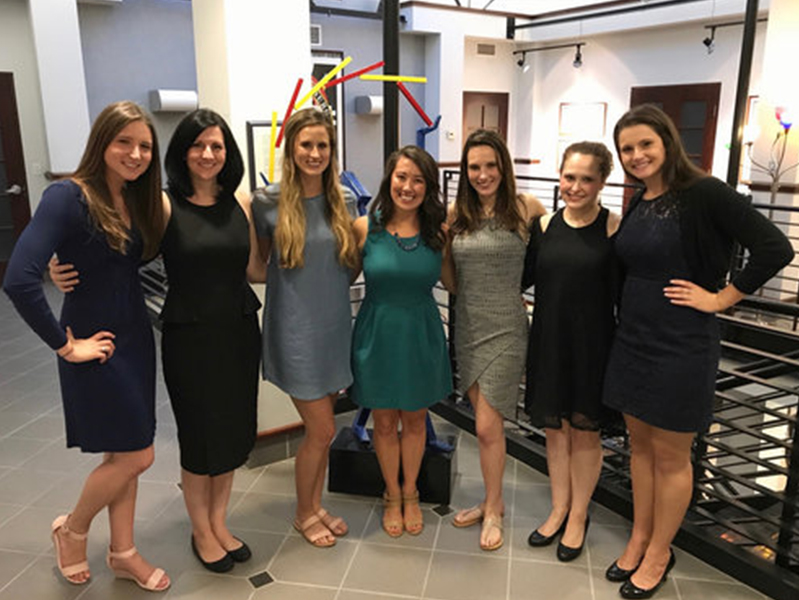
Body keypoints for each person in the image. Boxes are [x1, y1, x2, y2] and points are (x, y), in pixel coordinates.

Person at [50, 109, 265, 573]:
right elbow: (117, 252)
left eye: (217, 146)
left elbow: (255, 270)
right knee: (199, 435)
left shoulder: (241, 201)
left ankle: (220, 522)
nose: (208, 155)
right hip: (190, 336)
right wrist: (59, 266)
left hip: (239, 330)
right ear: (182, 153)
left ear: (227, 154)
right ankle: (201, 530)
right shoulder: (163, 205)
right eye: (197, 145)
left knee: (230, 432)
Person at [602, 104, 793, 599]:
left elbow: (775, 247)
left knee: (671, 456)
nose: (637, 155)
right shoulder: (642, 198)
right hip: (634, 339)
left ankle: (661, 550)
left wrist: (722, 298)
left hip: (682, 342)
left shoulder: (705, 193)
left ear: (667, 141)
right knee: (638, 448)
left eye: (646, 143)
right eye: (627, 148)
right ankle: (641, 535)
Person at [3, 101, 170, 591]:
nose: (136, 154)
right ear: (102, 143)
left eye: (144, 145)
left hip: (135, 338)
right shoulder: (68, 196)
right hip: (94, 343)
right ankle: (72, 531)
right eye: (125, 142)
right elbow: (19, 279)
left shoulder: (135, 198)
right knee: (139, 456)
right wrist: (64, 346)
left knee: (123, 455)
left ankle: (124, 552)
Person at [251, 108, 358, 548]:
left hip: (334, 328)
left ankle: (315, 506)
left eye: (323, 145)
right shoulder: (266, 202)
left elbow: (349, 265)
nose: (315, 153)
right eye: (306, 145)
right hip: (294, 332)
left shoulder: (344, 201)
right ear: (290, 148)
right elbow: (258, 267)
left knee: (325, 426)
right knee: (322, 431)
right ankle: (303, 514)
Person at [443, 129, 546, 551]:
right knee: (481, 425)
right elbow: (451, 282)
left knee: (488, 426)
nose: (483, 174)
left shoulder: (527, 208)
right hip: (467, 326)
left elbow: (542, 265)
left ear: (503, 165)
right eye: (474, 167)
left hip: (506, 325)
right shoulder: (457, 216)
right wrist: (443, 250)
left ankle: (495, 507)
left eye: (490, 165)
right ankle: (489, 500)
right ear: (465, 172)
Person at [522, 141, 620, 562]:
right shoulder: (543, 226)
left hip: (594, 346)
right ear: (559, 177)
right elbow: (520, 277)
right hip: (548, 341)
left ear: (602, 182)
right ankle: (559, 506)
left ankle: (579, 514)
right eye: (569, 177)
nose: (575, 186)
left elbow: (629, 291)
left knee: (585, 434)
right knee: (554, 431)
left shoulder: (614, 228)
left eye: (586, 179)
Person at [351, 146, 452, 537]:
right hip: (377, 332)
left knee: (415, 418)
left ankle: (411, 491)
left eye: (418, 180)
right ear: (388, 179)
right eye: (401, 177)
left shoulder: (438, 233)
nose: (407, 187)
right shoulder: (365, 228)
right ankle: (391, 492)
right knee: (384, 419)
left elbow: (456, 283)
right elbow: (338, 277)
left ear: (428, 187)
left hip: (420, 333)